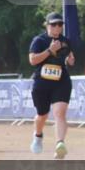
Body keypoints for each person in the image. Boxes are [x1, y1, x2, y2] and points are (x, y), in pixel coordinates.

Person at [27, 13, 75, 158]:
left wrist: (70, 61)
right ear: (47, 25)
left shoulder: (66, 41)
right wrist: (50, 51)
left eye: (60, 24)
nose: (57, 27)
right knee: (42, 115)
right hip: (42, 83)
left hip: (61, 81)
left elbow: (69, 60)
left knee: (60, 112)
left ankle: (60, 144)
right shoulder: (39, 40)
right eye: (54, 24)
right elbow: (33, 60)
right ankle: (38, 135)